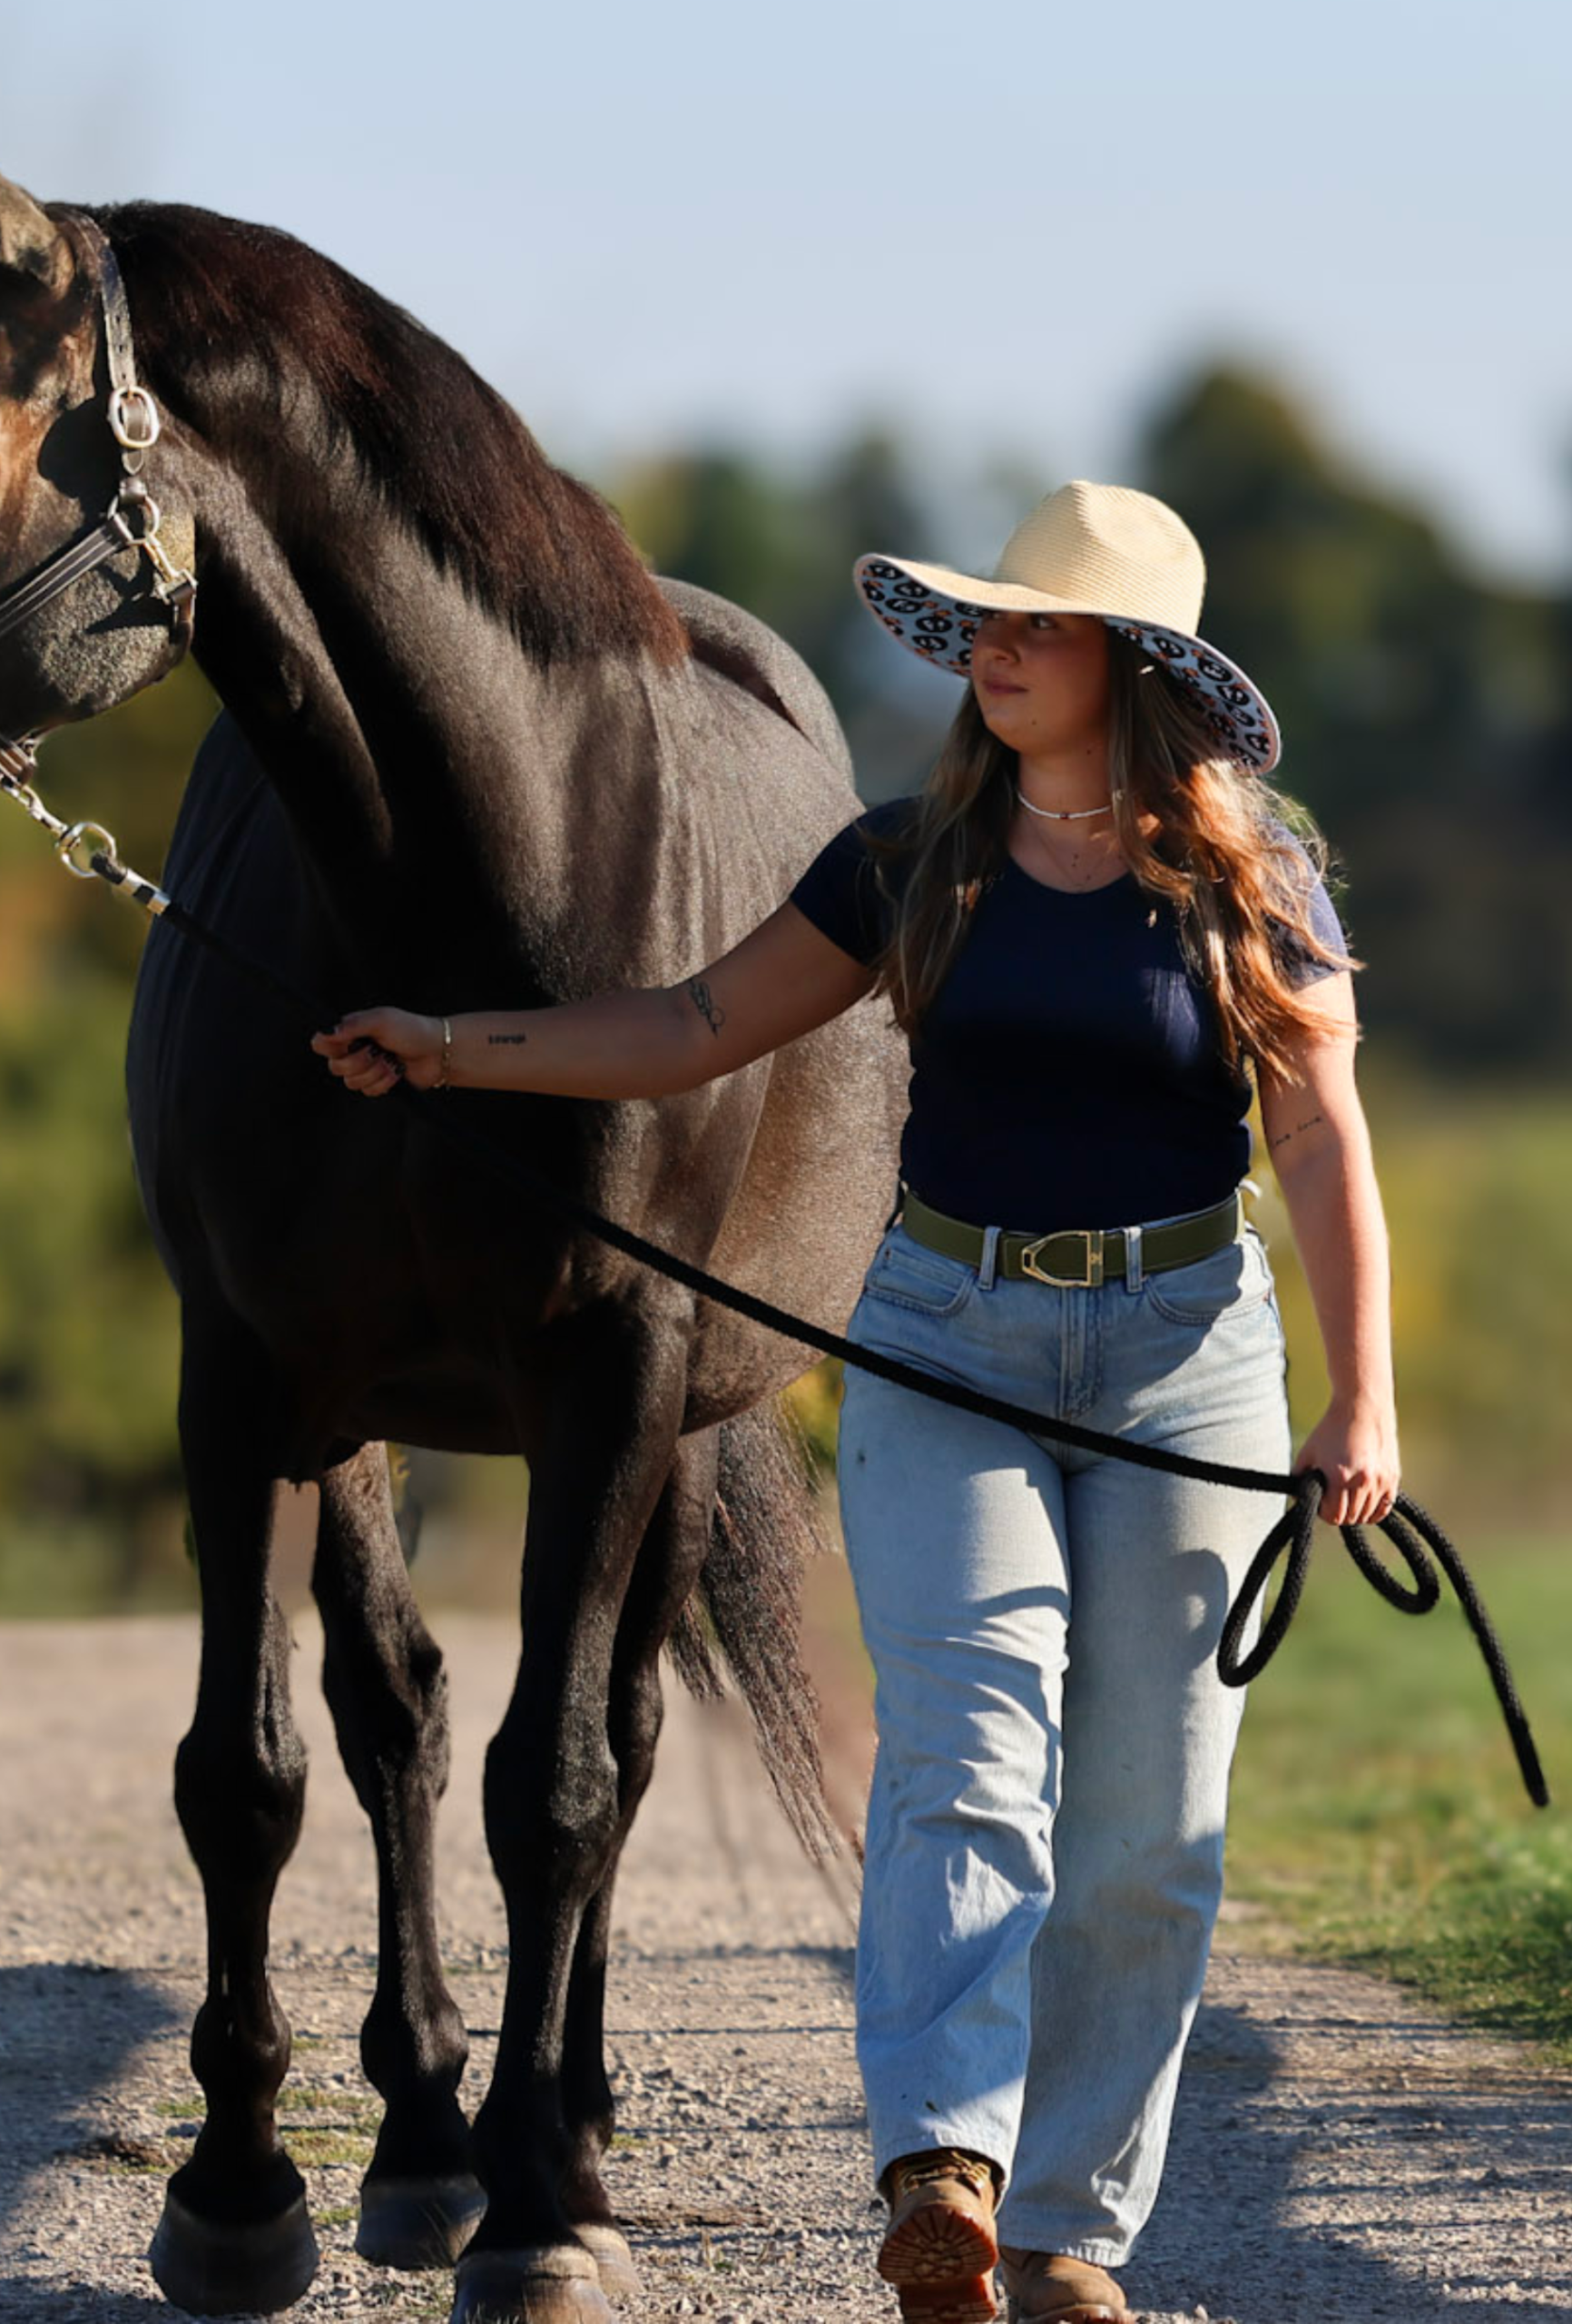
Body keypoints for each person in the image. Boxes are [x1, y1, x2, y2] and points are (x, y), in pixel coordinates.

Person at [312, 481, 1398, 2324]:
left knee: (1148, 1822)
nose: (992, 644)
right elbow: (681, 1027)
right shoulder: (910, 859)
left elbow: (1317, 1134)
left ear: (1130, 666)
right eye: (982, 618)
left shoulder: (1249, 873)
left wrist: (1361, 1393)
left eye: (1032, 623)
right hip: (945, 1338)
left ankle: (1070, 2233)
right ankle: (944, 2173)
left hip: (1186, 1351)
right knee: (967, 1756)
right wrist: (445, 1047)